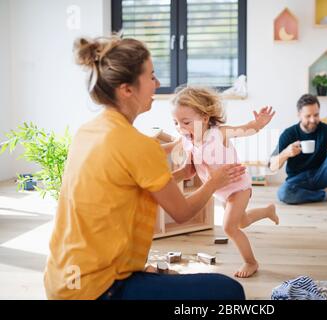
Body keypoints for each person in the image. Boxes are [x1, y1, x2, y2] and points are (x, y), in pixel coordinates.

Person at [43, 36, 247, 300]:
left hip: (61, 280)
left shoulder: (88, 131)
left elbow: (127, 182)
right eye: (151, 76)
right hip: (96, 290)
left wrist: (180, 171)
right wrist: (214, 182)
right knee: (229, 292)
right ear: (127, 89)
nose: (158, 84)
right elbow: (183, 212)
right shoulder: (138, 145)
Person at [172, 86, 279, 278]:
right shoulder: (188, 140)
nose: (181, 128)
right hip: (220, 190)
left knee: (230, 227)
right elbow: (190, 168)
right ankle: (267, 211)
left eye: (185, 122)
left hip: (238, 186)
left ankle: (251, 262)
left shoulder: (219, 133)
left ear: (204, 118)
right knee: (242, 222)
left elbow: (248, 129)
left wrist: (259, 122)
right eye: (176, 123)